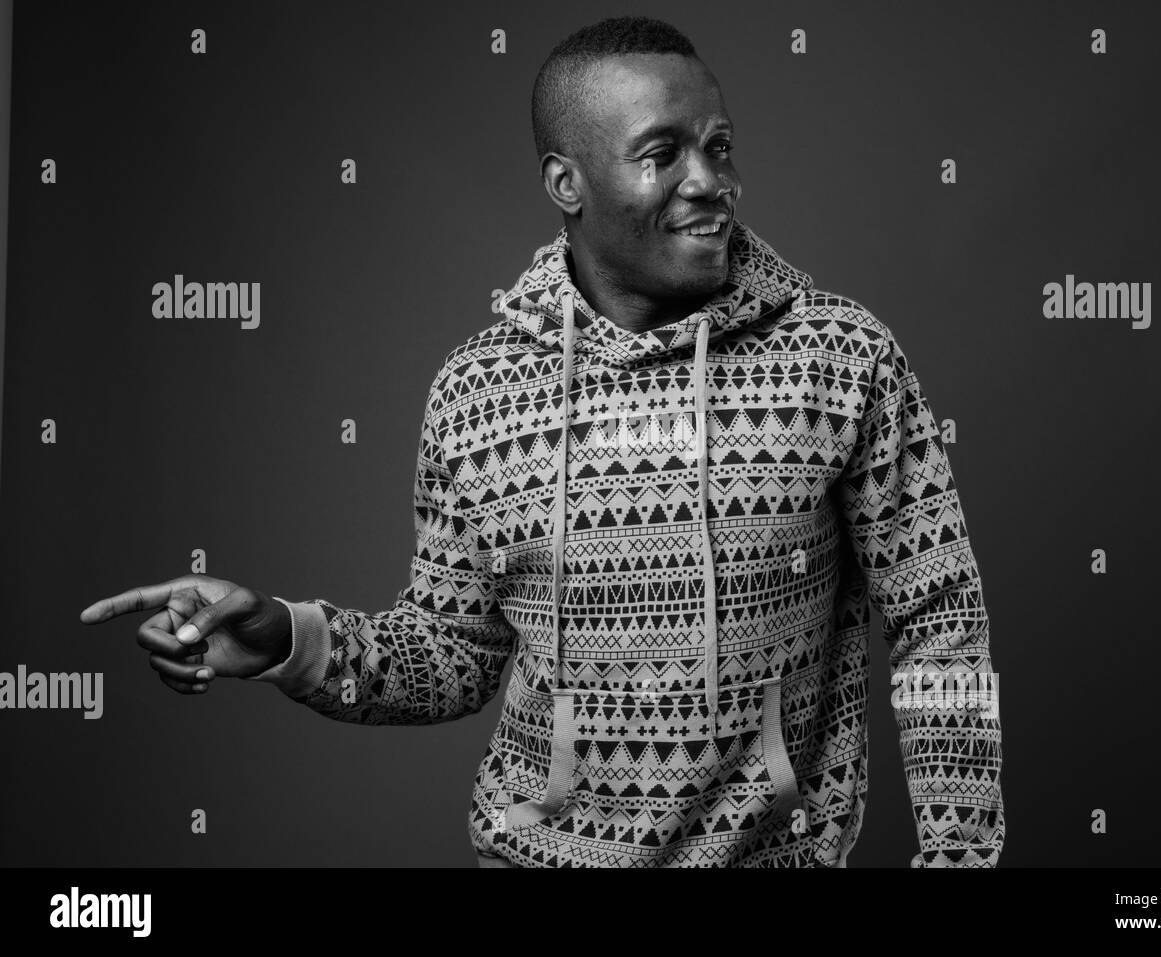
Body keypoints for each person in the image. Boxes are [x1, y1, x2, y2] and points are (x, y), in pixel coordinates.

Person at [79, 15, 1005, 868]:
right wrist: (289, 636)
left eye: (718, 147)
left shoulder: (841, 357)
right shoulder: (479, 392)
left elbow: (940, 620)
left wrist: (960, 858)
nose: (708, 181)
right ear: (567, 182)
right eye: (662, 153)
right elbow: (447, 654)